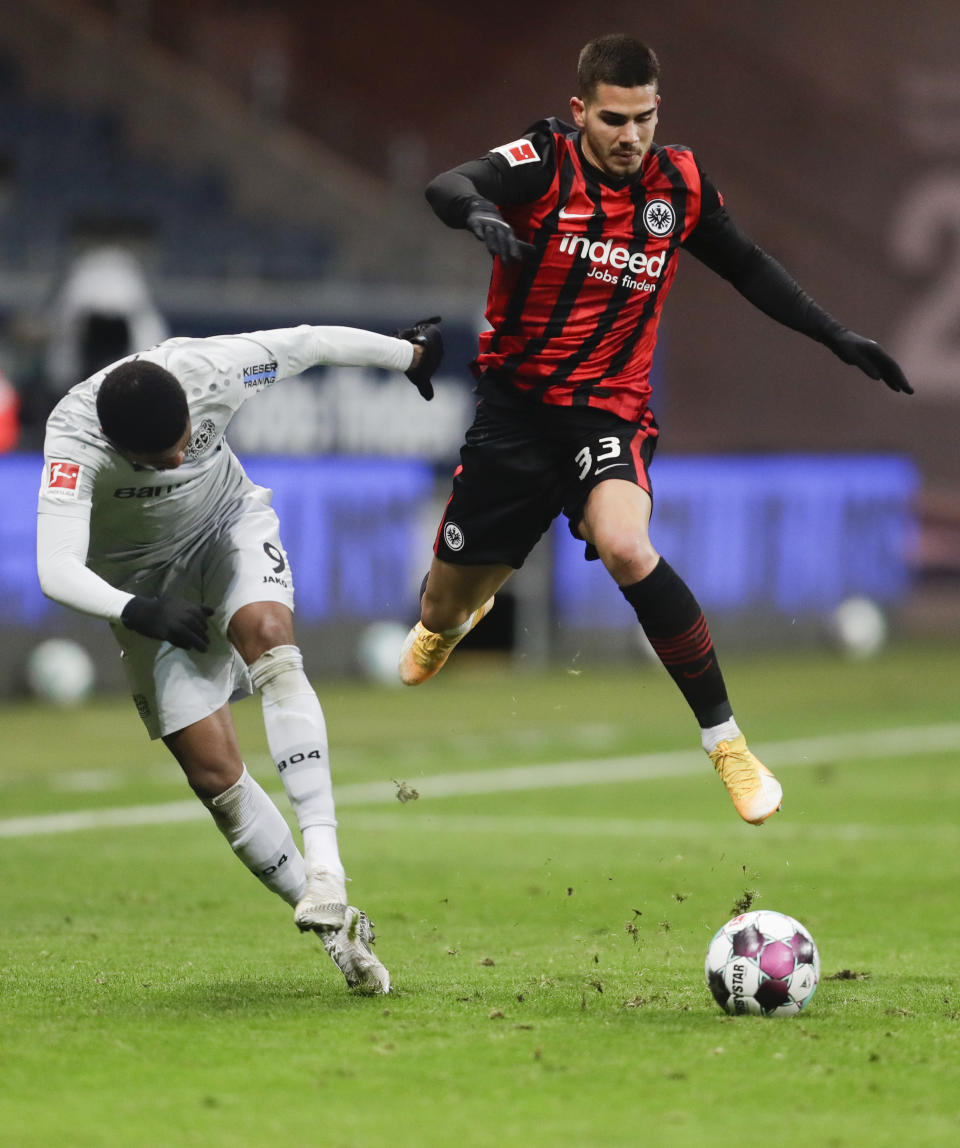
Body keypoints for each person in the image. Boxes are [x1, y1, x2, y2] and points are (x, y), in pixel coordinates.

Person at [399, 33, 912, 826]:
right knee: (439, 607)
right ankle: (453, 620)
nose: (630, 136)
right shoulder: (543, 162)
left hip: (609, 408)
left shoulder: (680, 183)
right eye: (613, 118)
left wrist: (835, 334)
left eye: (643, 118)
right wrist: (476, 214)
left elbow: (747, 265)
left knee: (627, 545)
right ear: (581, 112)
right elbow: (447, 183)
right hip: (516, 411)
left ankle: (727, 742)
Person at [37, 318, 443, 993]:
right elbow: (56, 569)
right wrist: (138, 610)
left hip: (226, 529)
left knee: (268, 637)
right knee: (214, 779)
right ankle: (339, 934)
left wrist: (409, 357)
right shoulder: (74, 437)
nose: (175, 462)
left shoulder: (211, 368)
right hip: (141, 590)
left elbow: (309, 343)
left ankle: (326, 866)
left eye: (182, 445)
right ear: (116, 444)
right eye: (157, 458)